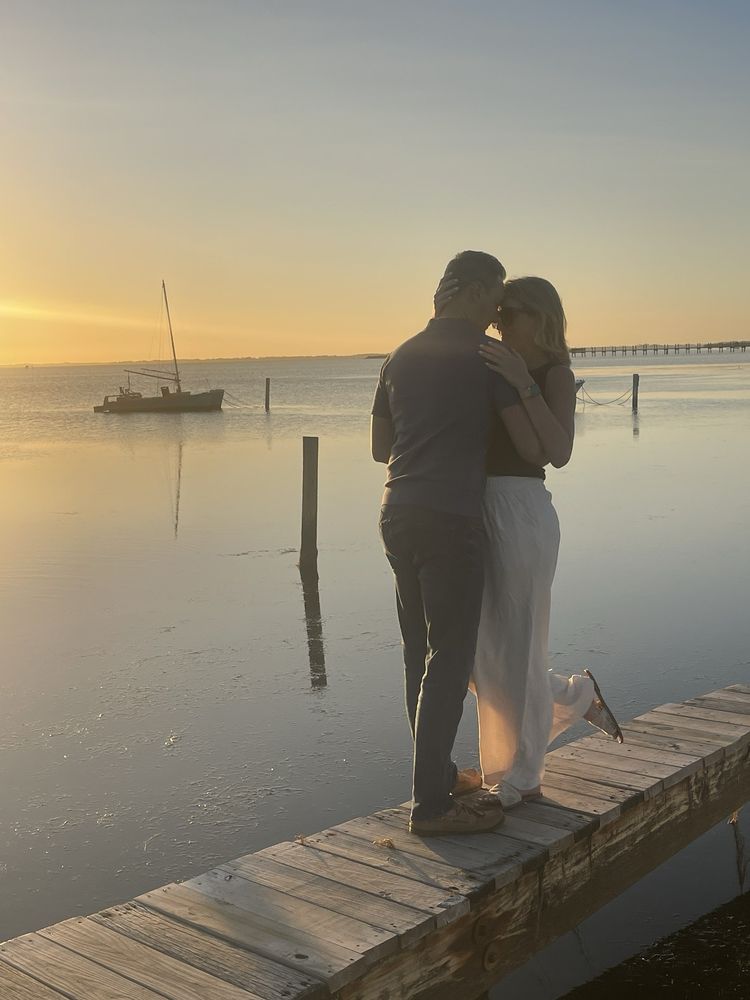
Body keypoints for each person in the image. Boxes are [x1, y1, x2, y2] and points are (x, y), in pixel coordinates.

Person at [434, 274, 623, 809]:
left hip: (521, 511)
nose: (498, 321)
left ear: (538, 317)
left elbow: (557, 452)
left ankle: (518, 777)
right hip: (474, 508)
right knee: (476, 654)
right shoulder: (486, 360)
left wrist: (525, 382)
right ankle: (574, 694)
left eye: (508, 312)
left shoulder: (554, 372)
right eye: (495, 313)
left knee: (516, 645)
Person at [371, 250, 528, 836]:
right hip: (450, 518)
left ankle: (435, 777)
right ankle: (431, 808)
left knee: (420, 651)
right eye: (496, 295)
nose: (498, 310)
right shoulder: (490, 358)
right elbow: (531, 448)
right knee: (452, 655)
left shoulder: (399, 355)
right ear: (473, 290)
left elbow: (379, 448)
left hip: (397, 511)